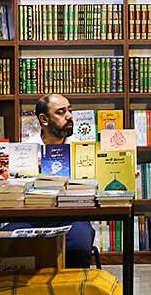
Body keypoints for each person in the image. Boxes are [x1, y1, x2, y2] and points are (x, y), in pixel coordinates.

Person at [7, 93, 96, 269]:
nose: (70, 116)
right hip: (31, 216)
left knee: (79, 246)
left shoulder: (82, 149)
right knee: (1, 244)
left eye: (70, 110)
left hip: (72, 217)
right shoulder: (25, 150)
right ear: (44, 119)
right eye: (61, 112)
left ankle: (74, 285)